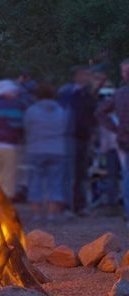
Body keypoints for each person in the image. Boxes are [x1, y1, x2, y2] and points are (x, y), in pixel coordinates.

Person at [23, 84, 68, 222]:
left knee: (35, 181)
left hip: (36, 149)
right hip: (57, 149)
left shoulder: (31, 111)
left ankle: (36, 213)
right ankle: (52, 213)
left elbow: (26, 128)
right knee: (56, 182)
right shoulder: (61, 111)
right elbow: (66, 128)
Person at [58, 66, 98, 214]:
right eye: (84, 75)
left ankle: (79, 204)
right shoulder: (68, 94)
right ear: (76, 76)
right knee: (70, 172)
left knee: (81, 172)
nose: (87, 78)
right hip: (70, 137)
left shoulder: (88, 95)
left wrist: (93, 131)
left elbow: (93, 114)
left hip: (84, 137)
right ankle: (68, 204)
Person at [96, 59, 129, 228]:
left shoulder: (120, 94)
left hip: (124, 138)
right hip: (124, 139)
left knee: (127, 176)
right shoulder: (119, 94)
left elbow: (100, 112)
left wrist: (115, 128)